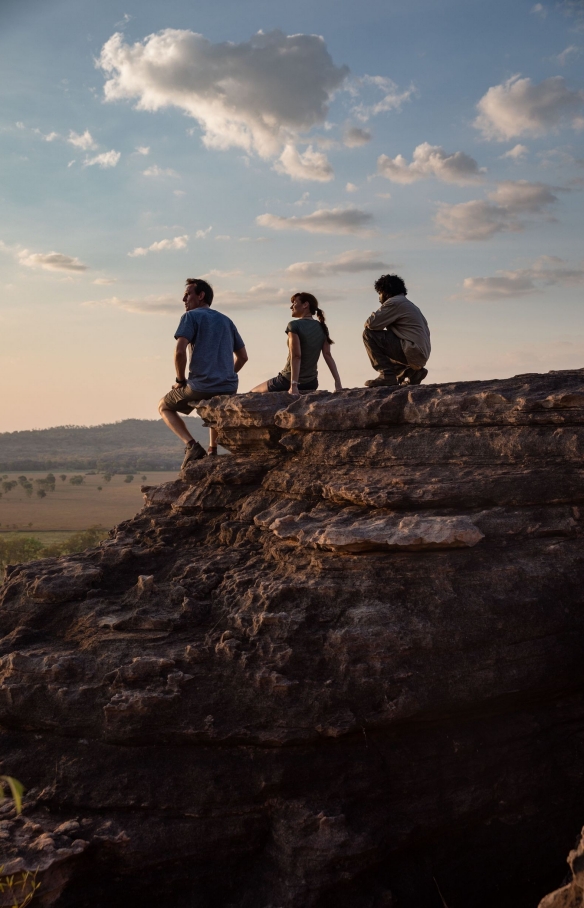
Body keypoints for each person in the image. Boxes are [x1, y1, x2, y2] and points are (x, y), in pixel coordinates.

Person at [158, 278, 248, 468]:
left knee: (164, 406)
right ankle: (212, 450)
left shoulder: (190, 317)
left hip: (201, 385)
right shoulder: (226, 320)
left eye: (188, 294)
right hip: (229, 385)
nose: (184, 299)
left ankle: (191, 446)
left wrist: (180, 380)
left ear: (201, 295)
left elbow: (180, 351)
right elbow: (243, 357)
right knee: (213, 406)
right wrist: (226, 374)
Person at [251, 292, 342, 397]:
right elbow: (327, 355)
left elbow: (296, 356)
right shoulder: (322, 327)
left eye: (294, 303)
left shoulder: (294, 325)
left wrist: (293, 385)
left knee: (252, 393)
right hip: (311, 382)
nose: (291, 307)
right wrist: (338, 383)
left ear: (305, 305)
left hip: (287, 380)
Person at [362, 274, 431, 387]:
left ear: (386, 292)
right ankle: (412, 372)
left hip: (411, 349)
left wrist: (381, 309)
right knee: (387, 340)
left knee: (369, 335)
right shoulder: (409, 304)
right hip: (419, 354)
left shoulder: (394, 302)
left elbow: (371, 324)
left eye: (379, 293)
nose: (379, 298)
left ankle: (386, 375)